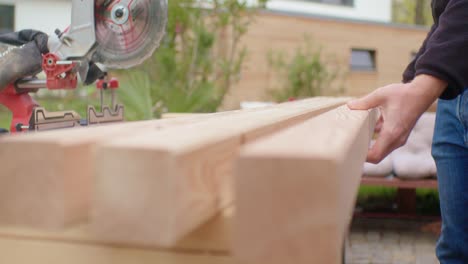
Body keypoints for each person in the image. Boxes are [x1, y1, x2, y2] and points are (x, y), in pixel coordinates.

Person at [348, 0, 468, 263]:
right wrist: (412, 85)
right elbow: (446, 18)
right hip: (454, 91)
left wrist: (420, 88)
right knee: (456, 249)